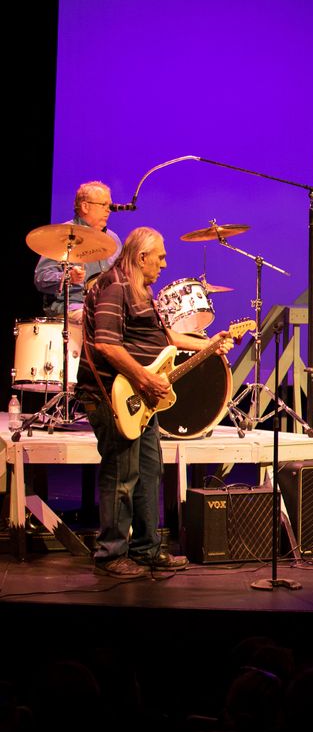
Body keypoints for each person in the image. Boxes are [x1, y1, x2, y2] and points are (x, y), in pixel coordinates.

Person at [77, 227, 233, 578]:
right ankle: (110, 554)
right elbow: (106, 344)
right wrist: (145, 379)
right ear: (141, 257)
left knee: (149, 471)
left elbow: (163, 337)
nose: (164, 264)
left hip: (140, 399)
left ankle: (146, 550)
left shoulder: (140, 290)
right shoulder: (114, 286)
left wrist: (209, 345)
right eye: (160, 257)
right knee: (121, 473)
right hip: (113, 395)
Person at [33, 181, 122, 322]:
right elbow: (41, 277)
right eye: (103, 205)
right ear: (85, 206)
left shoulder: (113, 239)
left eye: (109, 205)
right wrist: (68, 277)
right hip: (72, 307)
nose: (109, 210)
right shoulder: (63, 235)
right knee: (101, 318)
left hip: (106, 306)